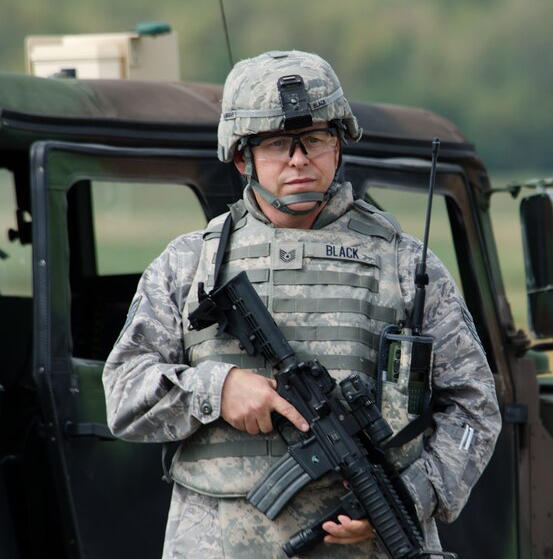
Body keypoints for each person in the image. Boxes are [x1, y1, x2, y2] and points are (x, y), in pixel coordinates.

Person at [103, 50, 501, 558]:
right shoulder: (191, 265)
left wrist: (407, 498)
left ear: (338, 147)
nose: (298, 159)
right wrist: (216, 389)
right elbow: (123, 394)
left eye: (314, 139)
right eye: (276, 144)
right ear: (242, 157)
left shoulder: (405, 265)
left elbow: (474, 406)